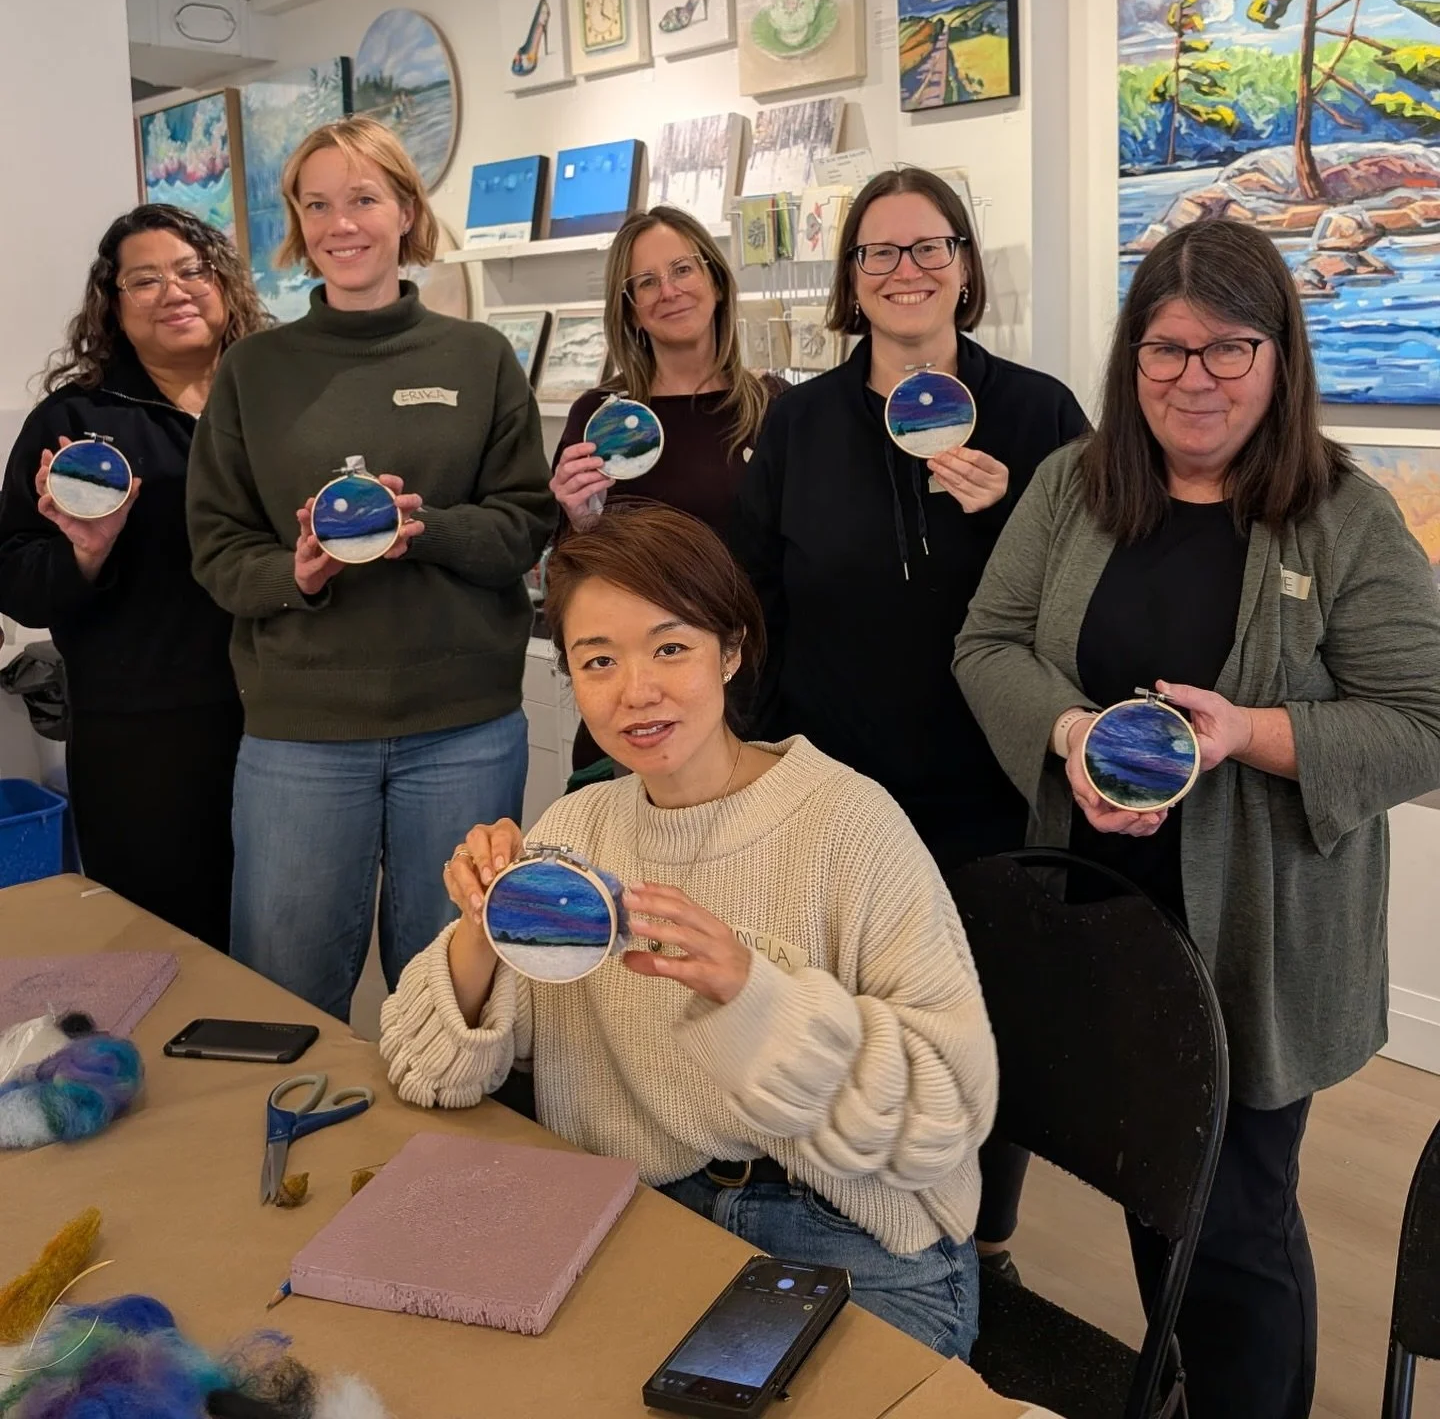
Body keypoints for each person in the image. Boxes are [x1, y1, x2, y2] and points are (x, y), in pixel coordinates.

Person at [952, 217, 1440, 1418]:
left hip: (1262, 936)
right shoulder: (1076, 485)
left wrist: (1249, 735)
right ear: (1132, 361)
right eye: (1165, 351)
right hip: (1106, 910)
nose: (1194, 379)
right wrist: (1072, 739)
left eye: (1229, 349)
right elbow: (990, 643)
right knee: (1155, 1181)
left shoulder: (1341, 515)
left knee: (1236, 1222)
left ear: (1280, 356)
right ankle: (1177, 1383)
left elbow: (1426, 716)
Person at [379, 502, 998, 1359]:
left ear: (733, 650)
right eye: (599, 661)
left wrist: (755, 996)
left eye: (672, 647)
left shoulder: (849, 823)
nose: (638, 692)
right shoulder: (578, 829)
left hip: (853, 1241)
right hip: (641, 1213)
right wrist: (481, 932)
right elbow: (427, 1074)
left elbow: (946, 1117)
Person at [730, 165, 1087, 1272]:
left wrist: (1004, 520)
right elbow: (755, 599)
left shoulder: (1040, 415)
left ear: (967, 266)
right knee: (839, 1023)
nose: (906, 270)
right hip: (837, 792)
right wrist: (767, 745)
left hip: (994, 794)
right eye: (879, 253)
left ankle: (980, 1243)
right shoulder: (800, 421)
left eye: (930, 246)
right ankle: (850, 1232)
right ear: (851, 279)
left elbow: (1080, 605)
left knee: (990, 1029)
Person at [187, 118, 555, 1022]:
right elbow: (218, 548)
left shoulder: (477, 358)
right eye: (317, 204)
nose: (339, 223)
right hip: (300, 734)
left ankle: (439, 1167)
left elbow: (522, 527)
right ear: (297, 222)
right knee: (282, 995)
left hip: (462, 728)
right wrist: (301, 571)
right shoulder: (253, 371)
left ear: (404, 211)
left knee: (452, 996)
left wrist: (419, 528)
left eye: (362, 198)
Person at [0, 205, 268, 951]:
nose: (172, 291)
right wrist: (85, 551)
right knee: (166, 949)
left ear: (224, 285)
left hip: (285, 721)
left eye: (190, 270)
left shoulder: (274, 405)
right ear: (113, 305)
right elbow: (13, 577)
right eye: (143, 279)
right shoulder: (74, 420)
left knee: (282, 939)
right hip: (142, 735)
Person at [550, 205, 786, 770]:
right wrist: (580, 520)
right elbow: (570, 574)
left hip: (754, 687)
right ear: (629, 309)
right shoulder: (599, 418)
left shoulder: (775, 408)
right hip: (638, 694)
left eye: (682, 269)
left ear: (715, 281)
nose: (669, 291)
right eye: (646, 282)